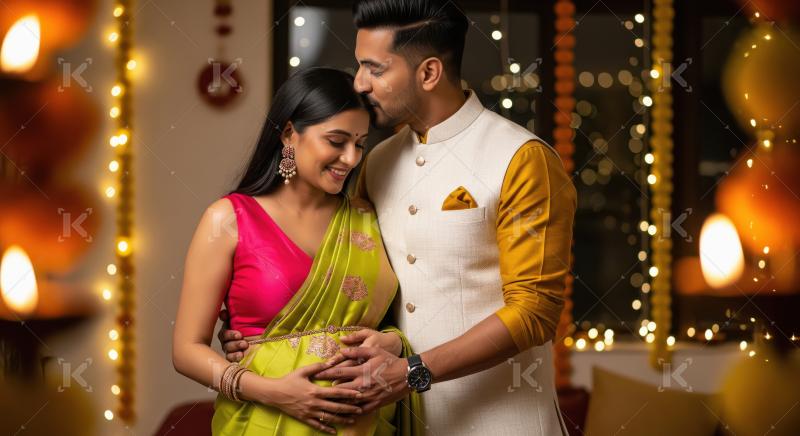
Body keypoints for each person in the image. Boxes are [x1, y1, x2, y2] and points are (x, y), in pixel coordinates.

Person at [222, 0, 577, 433]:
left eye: (375, 69)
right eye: (359, 66)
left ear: (428, 73)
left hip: (501, 420)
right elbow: (359, 281)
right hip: (393, 422)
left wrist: (412, 371)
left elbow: (534, 312)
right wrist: (267, 338)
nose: (359, 83)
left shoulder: (521, 158)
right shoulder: (378, 160)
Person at [172, 67, 422, 435]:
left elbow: (397, 319)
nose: (351, 159)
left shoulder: (368, 218)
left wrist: (391, 342)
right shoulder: (228, 219)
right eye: (336, 141)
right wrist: (275, 392)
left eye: (360, 143)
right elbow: (187, 350)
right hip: (263, 420)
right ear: (289, 134)